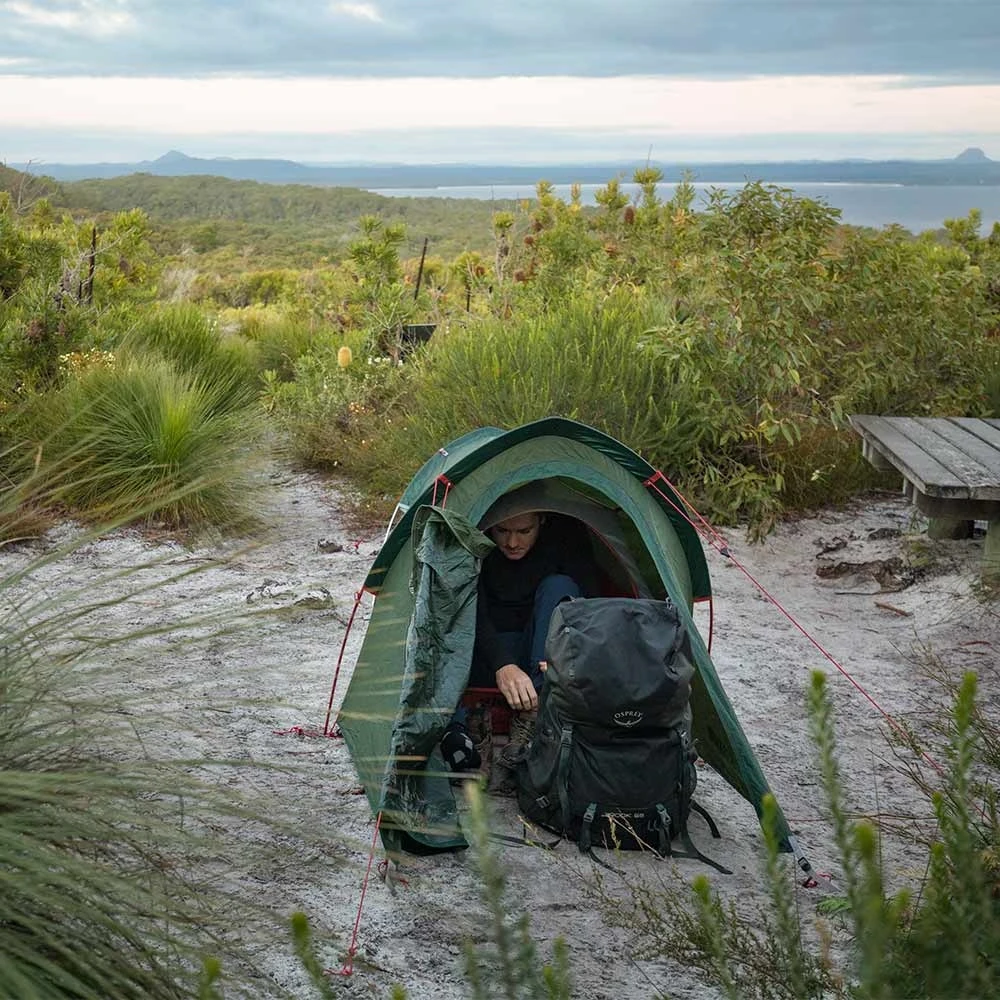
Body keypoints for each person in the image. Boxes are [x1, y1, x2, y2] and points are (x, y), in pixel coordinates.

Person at [440, 510, 601, 775]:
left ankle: (531, 718)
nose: (512, 543)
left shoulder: (568, 538)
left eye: (524, 531)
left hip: (539, 658)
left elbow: (591, 610)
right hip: (483, 653)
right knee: (450, 617)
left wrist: (556, 659)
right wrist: (503, 664)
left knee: (559, 587)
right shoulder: (473, 547)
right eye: (502, 531)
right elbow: (469, 616)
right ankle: (461, 732)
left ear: (542, 521)